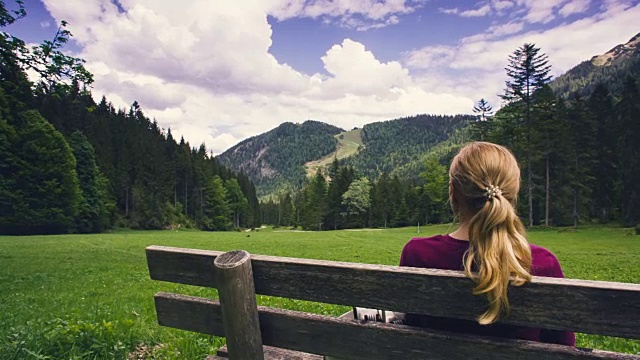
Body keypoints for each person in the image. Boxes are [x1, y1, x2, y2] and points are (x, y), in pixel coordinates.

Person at [399, 141, 575, 346]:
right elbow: (563, 347)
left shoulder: (418, 254)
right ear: (513, 193)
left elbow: (411, 329)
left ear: (453, 192)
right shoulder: (542, 263)